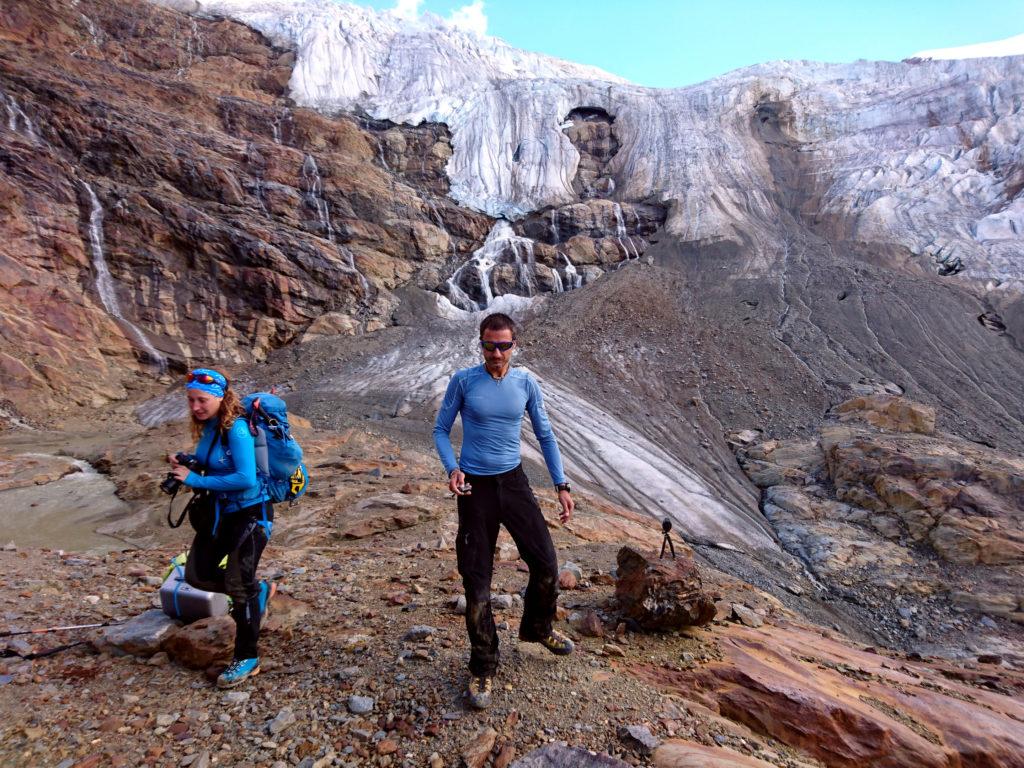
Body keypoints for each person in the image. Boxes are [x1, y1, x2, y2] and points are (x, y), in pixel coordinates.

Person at [433, 312, 576, 710]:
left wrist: (561, 484)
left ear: (514, 345)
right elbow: (440, 430)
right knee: (476, 582)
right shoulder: (464, 381)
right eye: (489, 345)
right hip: (475, 487)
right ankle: (483, 664)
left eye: (503, 345)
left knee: (546, 563)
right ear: (479, 344)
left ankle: (538, 629)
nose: (496, 353)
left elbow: (545, 434)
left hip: (513, 482)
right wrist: (452, 467)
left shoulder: (525, 382)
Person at [168, 368, 274, 688]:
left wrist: (195, 480)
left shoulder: (237, 429)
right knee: (196, 575)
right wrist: (188, 460)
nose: (195, 406)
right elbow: (213, 461)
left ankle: (247, 657)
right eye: (190, 400)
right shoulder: (211, 427)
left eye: (202, 400)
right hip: (220, 514)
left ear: (220, 398)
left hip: (250, 516)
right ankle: (258, 595)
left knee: (239, 585)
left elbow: (246, 478)